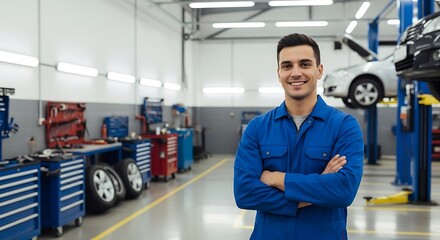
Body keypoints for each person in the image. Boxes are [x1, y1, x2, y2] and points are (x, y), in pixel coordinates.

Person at [233, 33, 364, 240]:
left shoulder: (344, 126)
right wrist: (320, 185)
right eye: (287, 66)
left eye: (304, 64)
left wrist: (276, 178)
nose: (295, 73)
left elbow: (344, 190)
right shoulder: (257, 128)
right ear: (278, 73)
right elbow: (245, 193)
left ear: (319, 70)